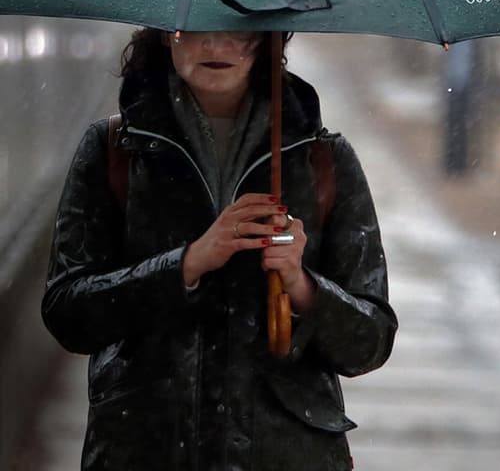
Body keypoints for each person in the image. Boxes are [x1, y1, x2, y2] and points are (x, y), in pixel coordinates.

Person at [42, 28, 397, 470]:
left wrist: (300, 284)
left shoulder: (322, 158)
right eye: (191, 28)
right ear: (164, 36)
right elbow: (67, 312)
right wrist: (187, 264)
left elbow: (370, 342)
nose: (214, 45)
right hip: (146, 448)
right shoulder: (115, 150)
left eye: (237, 28)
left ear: (268, 39)